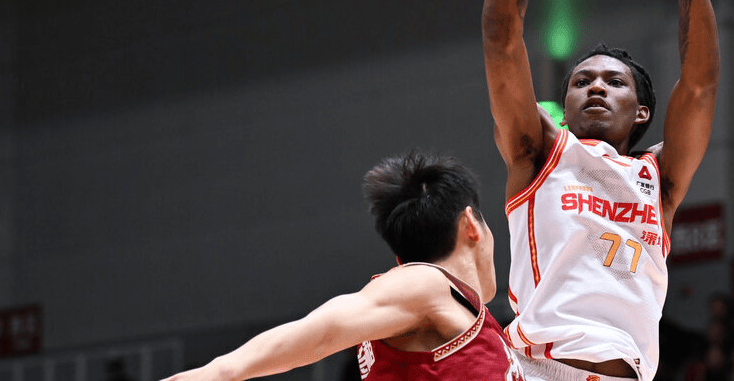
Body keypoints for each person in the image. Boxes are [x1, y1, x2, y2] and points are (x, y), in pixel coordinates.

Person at [482, 0, 719, 381]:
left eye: (614, 82)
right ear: (563, 106)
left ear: (642, 113)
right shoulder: (539, 151)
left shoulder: (659, 179)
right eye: (582, 81)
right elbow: (500, 37)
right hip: (539, 370)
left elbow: (700, 85)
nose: (595, 87)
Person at [161, 150, 524, 381]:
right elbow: (324, 331)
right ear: (471, 224)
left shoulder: (472, 322)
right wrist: (217, 373)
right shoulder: (424, 285)